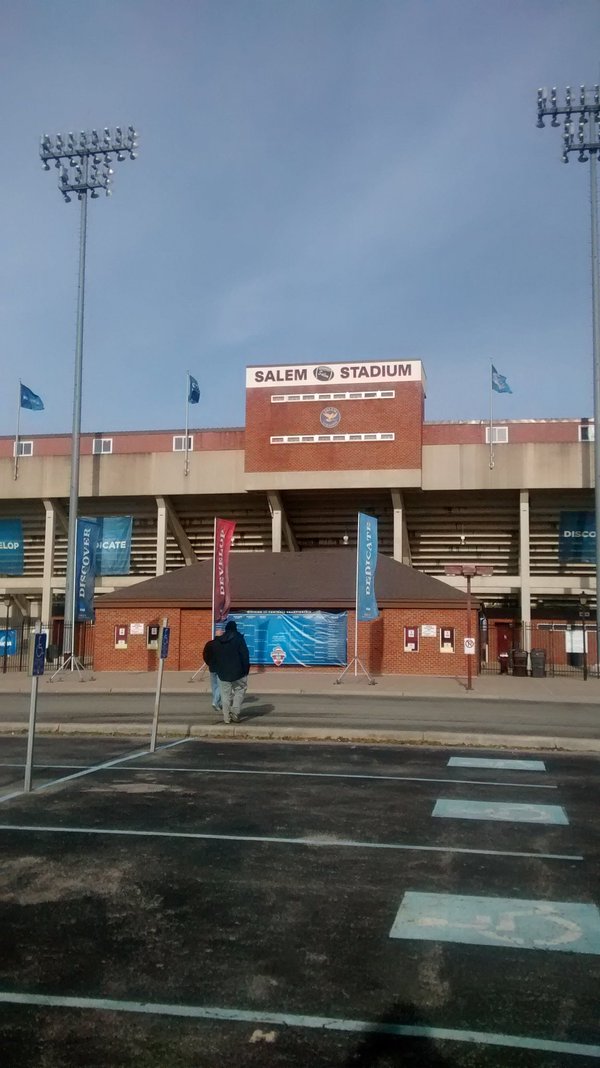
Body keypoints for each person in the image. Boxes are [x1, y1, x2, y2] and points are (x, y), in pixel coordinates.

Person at [204, 619, 250, 724]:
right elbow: (245, 655)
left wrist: (214, 667)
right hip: (238, 673)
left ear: (226, 629)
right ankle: (235, 712)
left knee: (225, 695)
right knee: (240, 690)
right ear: (235, 628)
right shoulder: (239, 639)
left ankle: (226, 718)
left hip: (223, 673)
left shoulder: (219, 641)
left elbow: (212, 653)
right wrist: (246, 670)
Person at [202, 636, 222, 713]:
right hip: (220, 667)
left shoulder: (209, 644)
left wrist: (208, 662)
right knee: (221, 686)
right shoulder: (222, 645)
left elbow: (204, 654)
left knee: (214, 686)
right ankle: (215, 701)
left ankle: (217, 702)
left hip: (212, 667)